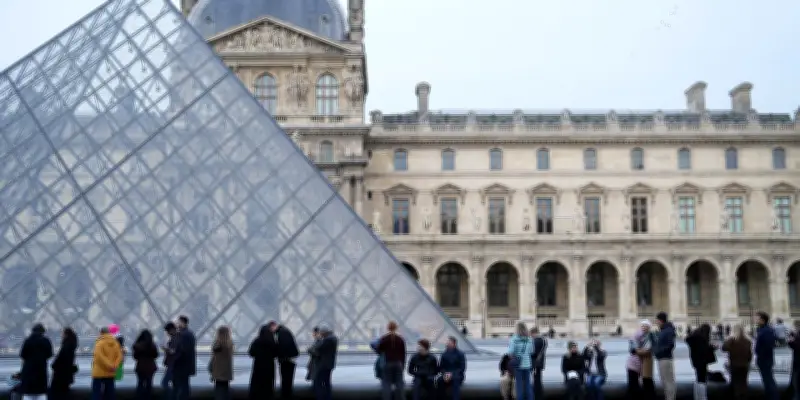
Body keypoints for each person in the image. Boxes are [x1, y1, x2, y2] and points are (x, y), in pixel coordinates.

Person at [20, 324, 54, 400]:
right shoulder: (46, 340)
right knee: (41, 393)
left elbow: (22, 355)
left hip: (28, 370)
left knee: (28, 393)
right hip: (41, 369)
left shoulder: (27, 340)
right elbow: (50, 354)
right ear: (43, 331)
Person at [269, 321, 299, 400]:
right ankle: (287, 394)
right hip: (288, 360)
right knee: (287, 380)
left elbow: (283, 347)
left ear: (273, 326)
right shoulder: (284, 331)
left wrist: (278, 355)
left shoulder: (282, 333)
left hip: (286, 360)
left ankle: (286, 395)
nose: (271, 332)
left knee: (286, 380)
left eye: (271, 329)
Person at [91, 326, 123, 400]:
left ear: (101, 333)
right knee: (110, 393)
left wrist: (109, 365)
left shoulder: (99, 343)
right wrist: (114, 366)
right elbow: (119, 356)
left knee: (96, 393)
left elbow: (99, 356)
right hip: (111, 372)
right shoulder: (115, 343)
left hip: (99, 372)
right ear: (109, 333)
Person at [377, 321, 406, 400]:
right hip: (398, 364)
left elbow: (379, 350)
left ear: (388, 328)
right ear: (396, 328)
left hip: (387, 363)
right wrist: (403, 365)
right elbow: (403, 354)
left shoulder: (384, 338)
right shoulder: (400, 339)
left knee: (386, 385)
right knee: (399, 384)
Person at [307, 325, 338, 400]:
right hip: (329, 365)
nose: (320, 334)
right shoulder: (333, 339)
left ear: (324, 332)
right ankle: (327, 397)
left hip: (322, 365)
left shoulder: (327, 340)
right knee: (326, 383)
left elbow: (315, 349)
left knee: (319, 383)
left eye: (321, 332)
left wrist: (311, 350)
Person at [722, 324, 752, 400]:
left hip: (734, 363)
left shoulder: (732, 339)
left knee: (735, 382)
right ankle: (744, 396)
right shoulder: (748, 340)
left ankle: (737, 396)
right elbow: (749, 354)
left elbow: (724, 348)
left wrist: (728, 338)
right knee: (744, 382)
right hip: (745, 364)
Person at [686, 324, 716, 400]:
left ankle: (697, 396)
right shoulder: (701, 338)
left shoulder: (694, 337)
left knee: (698, 377)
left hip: (696, 360)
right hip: (702, 360)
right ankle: (702, 396)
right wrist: (713, 348)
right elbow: (704, 350)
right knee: (702, 379)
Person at [248, 325, 277, 400]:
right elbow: (276, 353)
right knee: (268, 385)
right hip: (269, 366)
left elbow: (251, 353)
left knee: (257, 384)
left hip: (258, 365)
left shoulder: (257, 341)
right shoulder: (272, 341)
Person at [506, 321, 534, 400]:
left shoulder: (514, 339)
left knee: (519, 386)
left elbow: (510, 353)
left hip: (518, 365)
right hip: (527, 364)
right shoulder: (529, 339)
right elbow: (531, 351)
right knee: (528, 385)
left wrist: (515, 356)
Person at [49, 327, 77, 400]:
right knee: (64, 392)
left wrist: (54, 365)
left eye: (62, 333)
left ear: (66, 334)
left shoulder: (66, 344)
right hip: (67, 373)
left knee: (56, 392)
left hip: (60, 373)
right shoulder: (72, 344)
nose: (61, 335)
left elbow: (61, 357)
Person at [755, 311, 778, 400]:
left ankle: (774, 397)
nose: (755, 319)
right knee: (766, 380)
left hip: (765, 359)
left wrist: (759, 353)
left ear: (762, 320)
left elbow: (768, 346)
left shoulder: (767, 330)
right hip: (763, 359)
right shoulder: (762, 329)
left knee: (768, 380)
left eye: (757, 318)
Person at [173, 315, 197, 400]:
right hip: (186, 366)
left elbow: (182, 351)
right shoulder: (189, 333)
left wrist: (173, 357)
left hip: (181, 367)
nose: (176, 324)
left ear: (183, 323)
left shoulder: (183, 335)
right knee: (185, 386)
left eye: (177, 322)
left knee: (180, 388)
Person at [654, 312, 677, 400]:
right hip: (662, 358)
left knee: (668, 382)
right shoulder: (664, 330)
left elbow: (670, 345)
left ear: (660, 320)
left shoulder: (668, 330)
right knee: (665, 381)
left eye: (657, 320)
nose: (656, 322)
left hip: (665, 358)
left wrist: (659, 351)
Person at [132, 329, 159, 400]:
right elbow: (155, 355)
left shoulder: (137, 346)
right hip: (150, 367)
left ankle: (139, 397)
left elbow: (135, 357)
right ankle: (148, 397)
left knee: (140, 383)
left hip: (140, 367)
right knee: (149, 384)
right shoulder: (152, 345)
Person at [210, 326, 234, 400]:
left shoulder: (218, 344)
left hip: (219, 373)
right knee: (225, 390)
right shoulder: (230, 344)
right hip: (226, 372)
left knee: (219, 392)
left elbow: (214, 352)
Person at [160, 322, 178, 400]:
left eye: (168, 331)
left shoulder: (175, 339)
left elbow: (174, 352)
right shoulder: (177, 337)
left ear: (172, 330)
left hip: (172, 364)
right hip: (174, 365)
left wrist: (167, 349)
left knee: (164, 383)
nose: (167, 333)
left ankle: (170, 397)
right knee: (174, 383)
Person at [530, 327, 547, 400]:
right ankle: (539, 396)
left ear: (534, 333)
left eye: (531, 334)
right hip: (539, 363)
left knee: (537, 382)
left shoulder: (536, 340)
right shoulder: (543, 340)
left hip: (535, 364)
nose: (531, 336)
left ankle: (537, 396)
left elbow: (533, 353)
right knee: (538, 380)